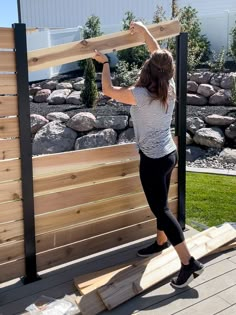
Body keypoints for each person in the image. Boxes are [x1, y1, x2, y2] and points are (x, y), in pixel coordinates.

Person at [93, 21, 204, 288]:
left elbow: (108, 91)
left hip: (154, 160)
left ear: (147, 69)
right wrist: (144, 32)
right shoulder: (170, 86)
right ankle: (160, 241)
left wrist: (105, 63)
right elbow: (159, 57)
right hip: (169, 154)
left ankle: (189, 263)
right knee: (162, 204)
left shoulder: (141, 94)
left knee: (161, 209)